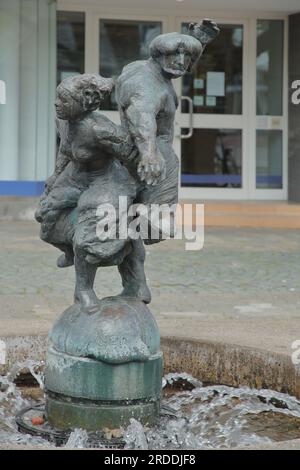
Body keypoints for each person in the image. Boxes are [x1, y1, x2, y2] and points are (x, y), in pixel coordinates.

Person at [36, 74, 150, 310]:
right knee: (45, 217)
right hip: (76, 178)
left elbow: (131, 156)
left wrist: (135, 191)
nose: (57, 103)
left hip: (107, 182)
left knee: (91, 234)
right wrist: (56, 176)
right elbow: (66, 151)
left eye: (63, 100)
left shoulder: (100, 129)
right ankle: (69, 250)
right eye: (58, 97)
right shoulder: (65, 120)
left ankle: (84, 290)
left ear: (84, 102)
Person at [116, 19, 219, 243]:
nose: (182, 63)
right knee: (169, 163)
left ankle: (146, 224)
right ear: (159, 55)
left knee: (136, 242)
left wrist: (198, 41)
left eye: (188, 57)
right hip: (146, 151)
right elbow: (141, 116)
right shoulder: (146, 83)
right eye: (175, 56)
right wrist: (149, 152)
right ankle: (153, 220)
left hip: (144, 149)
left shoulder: (152, 70)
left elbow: (182, 60)